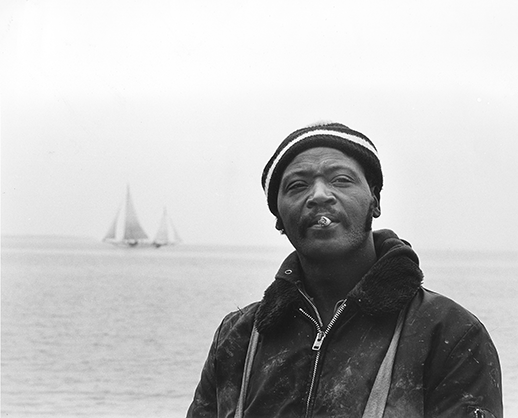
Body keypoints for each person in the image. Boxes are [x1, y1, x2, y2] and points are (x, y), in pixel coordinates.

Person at [187, 122, 503, 418]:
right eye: (297, 185)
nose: (319, 195)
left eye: (341, 179)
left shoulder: (448, 333)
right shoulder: (238, 338)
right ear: (279, 220)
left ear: (375, 202)